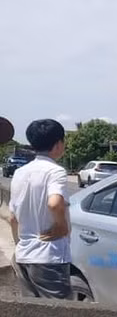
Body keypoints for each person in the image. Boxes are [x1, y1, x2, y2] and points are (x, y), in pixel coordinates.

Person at [8, 119, 72, 299]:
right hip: (49, 256)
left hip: (23, 256)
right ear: (58, 144)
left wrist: (19, 244)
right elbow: (54, 203)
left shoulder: (20, 173)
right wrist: (62, 226)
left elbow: (13, 218)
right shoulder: (55, 171)